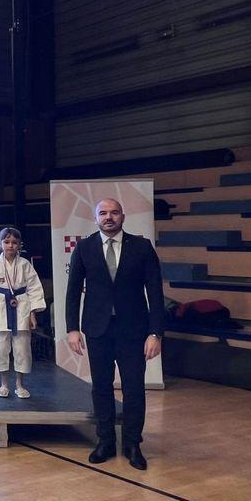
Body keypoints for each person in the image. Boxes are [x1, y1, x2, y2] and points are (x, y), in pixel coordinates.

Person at [65, 198, 164, 470]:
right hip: (97, 329)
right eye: (103, 213)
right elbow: (72, 291)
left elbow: (156, 293)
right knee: (101, 387)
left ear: (123, 216)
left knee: (134, 388)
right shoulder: (84, 247)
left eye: (114, 212)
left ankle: (132, 444)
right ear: (96, 218)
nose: (108, 217)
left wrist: (155, 333)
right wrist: (72, 329)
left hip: (134, 330)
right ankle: (105, 441)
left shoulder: (142, 247)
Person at [0, 227, 46, 398]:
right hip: (0, 308)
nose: (10, 245)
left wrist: (33, 314)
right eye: (7, 242)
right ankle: (3, 384)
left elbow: (34, 289)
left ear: (19, 245)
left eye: (14, 242)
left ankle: (20, 384)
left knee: (22, 348)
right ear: (0, 244)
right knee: (0, 348)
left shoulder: (25, 264)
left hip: (21, 306)